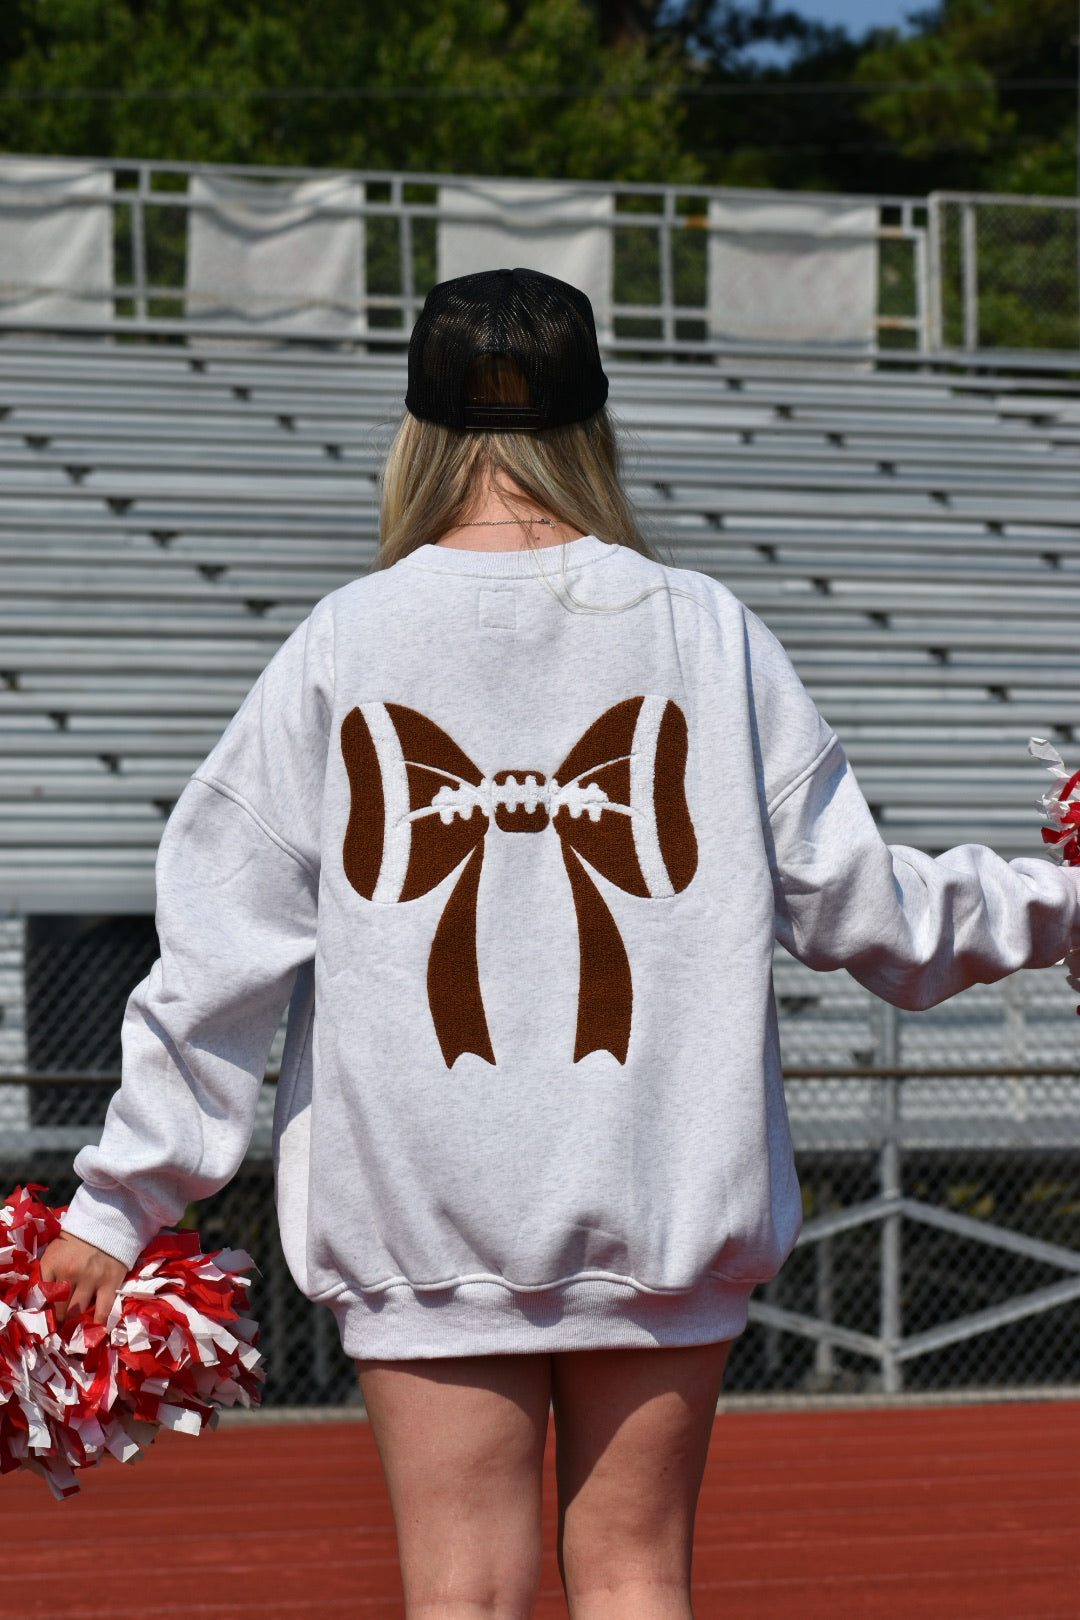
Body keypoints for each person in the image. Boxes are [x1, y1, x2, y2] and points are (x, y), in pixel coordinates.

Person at [42, 267, 1080, 1619]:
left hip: (422, 1211)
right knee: (638, 1581)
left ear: (417, 434)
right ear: (596, 429)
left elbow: (219, 960)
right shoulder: (709, 633)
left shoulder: (338, 646)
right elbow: (865, 910)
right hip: (664, 1199)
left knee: (461, 1596)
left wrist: (119, 1202)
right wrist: (1061, 906)